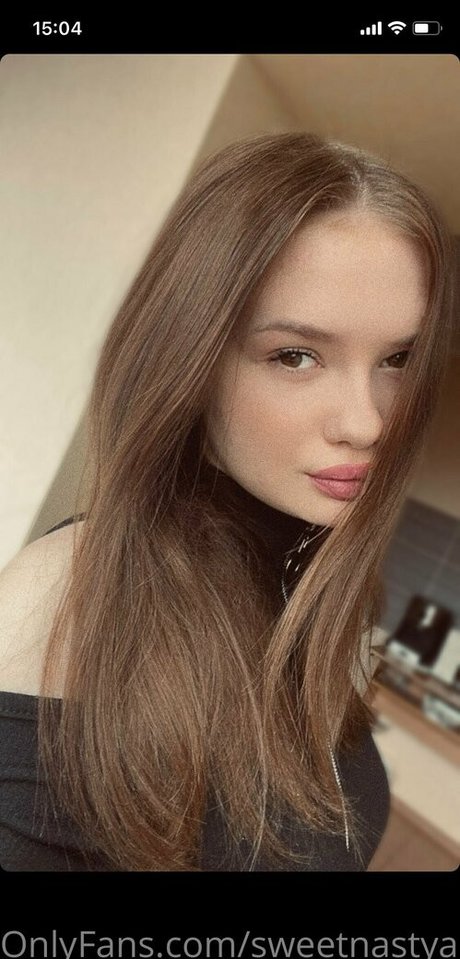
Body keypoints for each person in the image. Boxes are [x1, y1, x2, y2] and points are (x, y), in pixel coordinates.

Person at [0, 132, 455, 872]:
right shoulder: (70, 594)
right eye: (295, 355)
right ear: (192, 356)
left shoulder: (317, 586)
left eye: (398, 360)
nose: (368, 422)